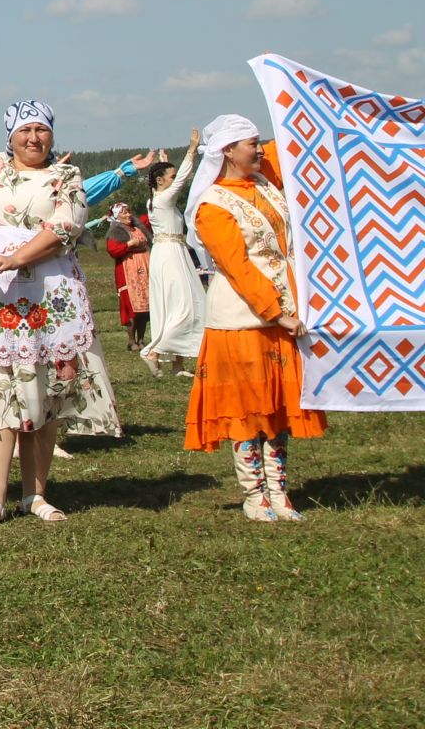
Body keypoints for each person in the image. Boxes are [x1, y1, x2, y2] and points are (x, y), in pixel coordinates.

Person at [0, 97, 120, 526]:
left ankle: (35, 496)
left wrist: (19, 257)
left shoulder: (66, 175)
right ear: (10, 136)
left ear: (51, 134)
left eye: (41, 130)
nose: (33, 138)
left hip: (49, 298)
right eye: (25, 130)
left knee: (45, 392)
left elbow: (66, 225)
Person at [183, 115, 326, 521]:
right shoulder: (212, 206)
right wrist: (277, 311)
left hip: (283, 316)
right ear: (228, 151)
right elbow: (237, 266)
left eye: (260, 142)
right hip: (243, 318)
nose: (260, 149)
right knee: (247, 408)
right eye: (251, 144)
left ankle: (279, 490)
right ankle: (254, 494)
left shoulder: (265, 182)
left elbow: (296, 145)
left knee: (277, 406)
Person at [141, 139, 206, 378]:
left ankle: (177, 364)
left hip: (171, 252)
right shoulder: (162, 200)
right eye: (171, 175)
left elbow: (168, 182)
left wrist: (162, 163)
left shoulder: (156, 200)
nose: (175, 178)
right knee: (183, 304)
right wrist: (191, 151)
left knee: (174, 303)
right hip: (170, 254)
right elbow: (179, 182)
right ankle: (154, 352)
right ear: (160, 181)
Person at [106, 203, 153, 351]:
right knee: (132, 306)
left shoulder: (138, 228)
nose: (128, 215)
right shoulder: (116, 232)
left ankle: (141, 339)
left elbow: (151, 216)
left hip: (145, 267)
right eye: (124, 213)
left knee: (145, 306)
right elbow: (113, 250)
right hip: (128, 269)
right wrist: (129, 244)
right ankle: (131, 340)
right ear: (117, 216)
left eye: (129, 212)